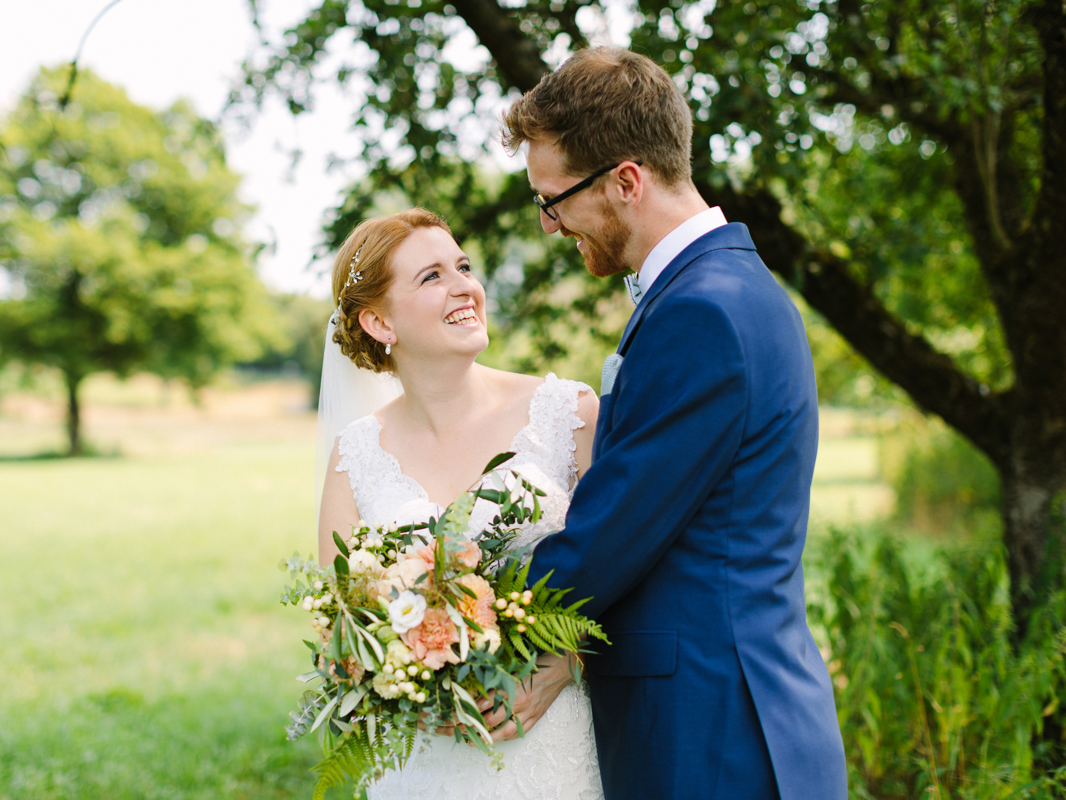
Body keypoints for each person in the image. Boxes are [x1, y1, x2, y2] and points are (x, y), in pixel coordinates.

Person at [487, 46, 849, 799]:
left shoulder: (702, 312)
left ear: (625, 181)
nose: (550, 225)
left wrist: (453, 606)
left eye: (553, 200)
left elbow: (612, 532)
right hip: (722, 717)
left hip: (712, 735)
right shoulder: (721, 288)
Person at [315, 207, 605, 800]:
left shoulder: (570, 415)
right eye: (431, 276)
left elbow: (640, 571)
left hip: (556, 748)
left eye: (464, 267)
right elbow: (338, 632)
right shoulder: (356, 455)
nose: (465, 286)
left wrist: (565, 664)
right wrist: (411, 685)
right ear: (378, 321)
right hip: (425, 765)